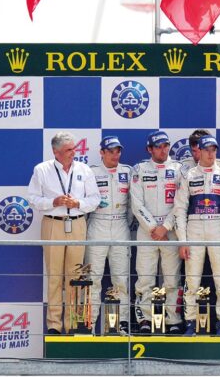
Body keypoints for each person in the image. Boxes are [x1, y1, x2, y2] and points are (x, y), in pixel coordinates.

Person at [27, 132, 100, 334]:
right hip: (53, 223)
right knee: (54, 276)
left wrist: (78, 203)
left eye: (74, 148)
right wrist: (54, 202)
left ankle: (72, 324)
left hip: (77, 223)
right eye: (69, 150)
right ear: (56, 152)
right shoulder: (42, 170)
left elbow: (95, 199)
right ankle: (54, 326)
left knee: (75, 276)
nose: (73, 153)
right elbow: (32, 199)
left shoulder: (84, 170)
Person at [175, 135, 220, 336]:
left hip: (218, 226)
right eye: (207, 150)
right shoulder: (188, 175)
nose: (211, 153)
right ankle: (190, 322)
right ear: (199, 152)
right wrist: (183, 241)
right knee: (192, 280)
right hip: (194, 227)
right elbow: (180, 209)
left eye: (214, 149)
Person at [131, 130, 184, 334]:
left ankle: (173, 319)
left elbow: (181, 203)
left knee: (171, 277)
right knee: (145, 277)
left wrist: (166, 227)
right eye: (158, 146)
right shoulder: (139, 169)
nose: (163, 150)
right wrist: (153, 227)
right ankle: (144, 319)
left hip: (170, 230)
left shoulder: (179, 169)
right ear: (149, 149)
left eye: (166, 145)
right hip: (147, 231)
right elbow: (136, 205)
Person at [86, 136, 132, 335]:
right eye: (111, 151)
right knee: (93, 278)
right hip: (98, 223)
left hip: (121, 224)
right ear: (102, 152)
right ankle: (88, 324)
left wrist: (124, 222)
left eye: (118, 151)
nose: (115, 154)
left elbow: (133, 204)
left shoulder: (128, 172)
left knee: (120, 278)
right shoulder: (91, 172)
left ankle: (121, 324)